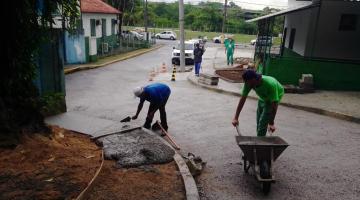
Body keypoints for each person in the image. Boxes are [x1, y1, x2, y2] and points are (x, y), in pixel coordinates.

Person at [232, 70, 284, 136]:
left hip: (274, 97)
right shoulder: (249, 83)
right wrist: (236, 118)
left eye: (250, 83)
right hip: (263, 97)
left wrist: (271, 123)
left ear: (255, 79)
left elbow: (274, 106)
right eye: (247, 83)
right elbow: (242, 99)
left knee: (263, 122)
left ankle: (260, 143)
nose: (248, 85)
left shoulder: (270, 84)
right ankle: (259, 139)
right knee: (259, 120)